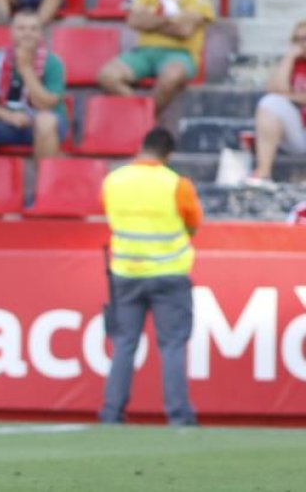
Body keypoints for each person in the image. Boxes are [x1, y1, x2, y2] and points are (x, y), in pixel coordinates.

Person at [100, 127, 201, 427]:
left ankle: (111, 413)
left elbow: (108, 214)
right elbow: (193, 223)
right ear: (168, 154)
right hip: (169, 273)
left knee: (124, 344)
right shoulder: (176, 184)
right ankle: (179, 416)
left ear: (141, 147)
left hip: (126, 273)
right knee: (171, 346)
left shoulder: (113, 180)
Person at [98, 0, 214, 114]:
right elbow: (134, 21)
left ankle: (145, 118)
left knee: (171, 78)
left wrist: (151, 21)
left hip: (181, 53)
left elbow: (185, 30)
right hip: (144, 53)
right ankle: (140, 115)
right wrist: (172, 19)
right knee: (107, 76)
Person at [0, 9, 67, 159]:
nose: (27, 33)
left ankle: (43, 181)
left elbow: (47, 104)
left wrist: (25, 69)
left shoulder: (53, 62)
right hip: (4, 121)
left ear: (40, 33)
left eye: (33, 29)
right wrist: (10, 117)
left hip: (41, 124)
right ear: (11, 32)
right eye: (21, 28)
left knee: (45, 122)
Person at [248, 19, 306, 187]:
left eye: (305, 38)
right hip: (296, 134)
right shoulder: (292, 62)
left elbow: (284, 93)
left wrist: (289, 96)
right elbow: (274, 89)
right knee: (270, 103)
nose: (301, 44)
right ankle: (263, 171)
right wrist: (288, 58)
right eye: (297, 39)